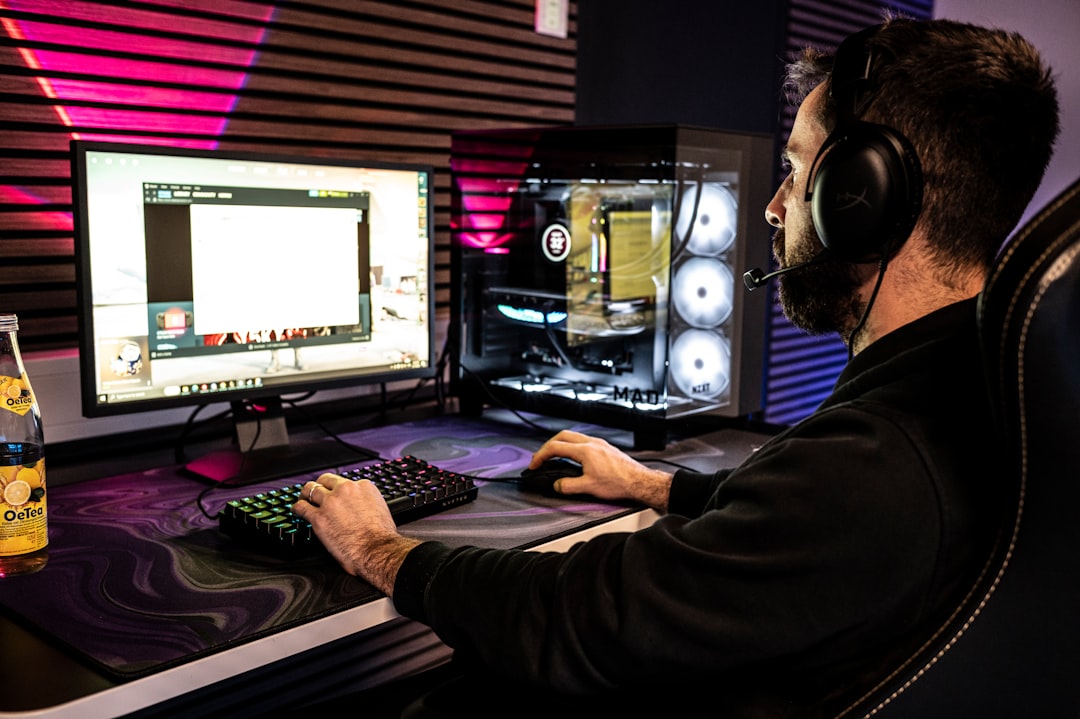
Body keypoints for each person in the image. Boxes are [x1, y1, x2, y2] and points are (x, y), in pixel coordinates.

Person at [293, 16, 1059, 718]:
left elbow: (581, 618)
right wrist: (652, 484)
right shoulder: (990, 385)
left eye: (797, 170)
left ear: (864, 199)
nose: (773, 206)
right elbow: (796, 527)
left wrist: (382, 549)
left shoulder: (881, 462)